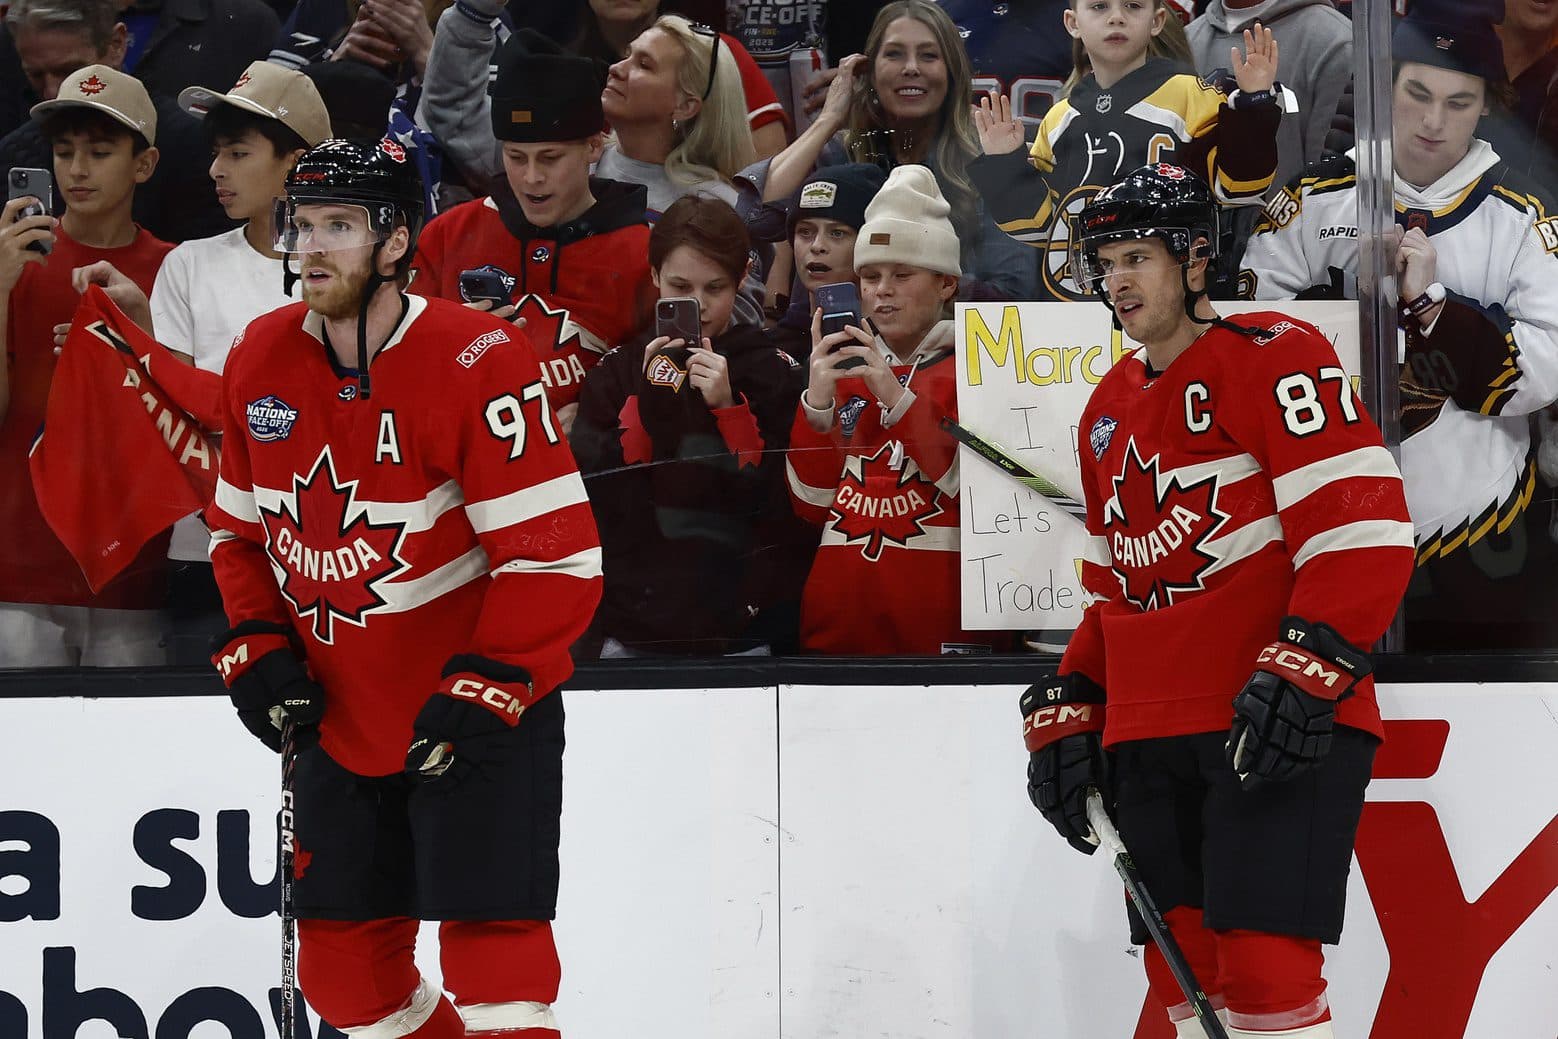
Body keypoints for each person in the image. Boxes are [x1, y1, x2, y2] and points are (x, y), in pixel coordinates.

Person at [204, 138, 602, 1039]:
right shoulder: (259, 357)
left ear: (396, 241)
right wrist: (258, 641)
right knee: (346, 983)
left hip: (477, 708)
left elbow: (554, 556)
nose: (312, 247)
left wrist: (487, 679)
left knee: (500, 977)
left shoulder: (478, 356)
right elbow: (236, 533)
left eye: (339, 225)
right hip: (341, 721)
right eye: (301, 224)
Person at [1024, 163, 1414, 1039]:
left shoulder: (1274, 356)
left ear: (1197, 262)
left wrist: (1309, 671)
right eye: (1105, 263)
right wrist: (1076, 692)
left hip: (1269, 715)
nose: (1117, 281)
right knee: (1183, 981)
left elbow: (1362, 529)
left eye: (1136, 257)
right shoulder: (1105, 410)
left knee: (1268, 975)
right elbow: (1116, 581)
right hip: (1150, 730)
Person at [1240, 1, 1558, 650]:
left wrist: (1436, 308)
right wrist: (1339, 306)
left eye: (1459, 102)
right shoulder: (1308, 201)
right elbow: (1245, 349)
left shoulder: (1525, 215)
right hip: (1324, 533)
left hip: (1481, 542)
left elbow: (1547, 369)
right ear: (1383, 87)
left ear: (1487, 105)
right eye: (1417, 94)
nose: (1435, 122)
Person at [143, 60, 332, 663]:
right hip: (208, 547)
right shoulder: (188, 265)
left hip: (336, 547)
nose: (216, 170)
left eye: (238, 153)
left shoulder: (356, 269)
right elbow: (172, 408)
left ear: (297, 163)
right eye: (216, 152)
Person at [570, 194, 806, 656]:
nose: (696, 305)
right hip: (631, 623)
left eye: (714, 288)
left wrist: (727, 409)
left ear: (742, 280)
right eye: (680, 286)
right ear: (655, 275)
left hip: (741, 632)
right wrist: (645, 400)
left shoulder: (770, 370)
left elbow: (780, 505)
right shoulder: (617, 372)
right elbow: (595, 495)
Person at [785, 164, 1004, 654]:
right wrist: (817, 402)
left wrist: (895, 395)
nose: (882, 289)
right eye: (870, 276)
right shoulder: (843, 371)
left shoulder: (981, 366)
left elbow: (978, 491)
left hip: (947, 635)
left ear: (946, 284)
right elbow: (810, 505)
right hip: (837, 633)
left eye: (902, 274)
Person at [0, 64, 173, 666]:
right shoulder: (15, 260)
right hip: (19, 558)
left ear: (143, 164)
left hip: (132, 560)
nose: (76, 170)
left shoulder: (175, 269)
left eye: (99, 152)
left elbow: (186, 419)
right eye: (64, 151)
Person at [409, 29, 655, 432]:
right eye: (516, 157)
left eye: (550, 157)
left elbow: (670, 378)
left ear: (594, 146)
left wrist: (601, 417)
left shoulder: (645, 253)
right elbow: (398, 367)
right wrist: (447, 338)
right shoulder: (446, 236)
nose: (531, 178)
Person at [969, 0, 1281, 300]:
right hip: (1081, 305)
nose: (1116, 17)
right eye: (1099, 6)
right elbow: (1038, 228)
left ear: (1157, 21)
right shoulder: (1058, 118)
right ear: (1072, 23)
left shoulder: (1192, 95)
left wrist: (1253, 106)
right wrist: (1004, 163)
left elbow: (1239, 188)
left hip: (1174, 298)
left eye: (1132, 6)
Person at [761, 0, 1036, 300]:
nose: (911, 68)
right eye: (894, 54)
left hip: (960, 338)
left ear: (952, 72)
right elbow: (758, 213)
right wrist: (828, 120)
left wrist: (909, 285)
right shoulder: (840, 152)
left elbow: (1013, 292)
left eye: (929, 56)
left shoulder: (989, 156)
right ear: (869, 70)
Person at [0, 0, 232, 243]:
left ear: (116, 45)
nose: (52, 90)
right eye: (35, 75)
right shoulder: (12, 157)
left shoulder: (192, 146)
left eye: (70, 71)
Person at [1187, 0, 1351, 195]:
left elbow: (1328, 187)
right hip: (1188, 221)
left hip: (1295, 222)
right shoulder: (1186, 40)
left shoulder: (1336, 40)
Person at [768, 161, 886, 361]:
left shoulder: (897, 340)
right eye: (805, 232)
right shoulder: (773, 350)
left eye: (837, 233)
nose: (817, 246)